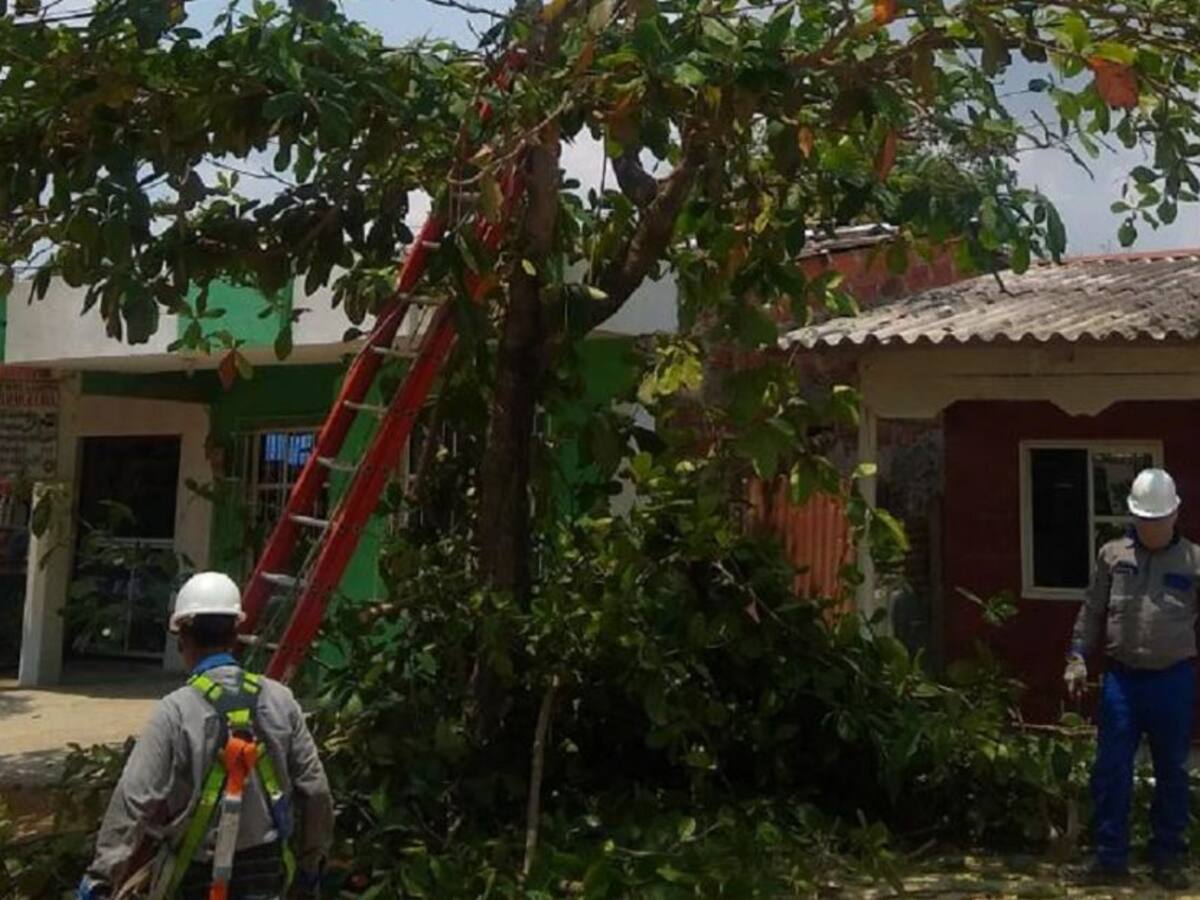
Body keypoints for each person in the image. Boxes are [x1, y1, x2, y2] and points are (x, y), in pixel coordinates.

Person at [78, 572, 334, 900]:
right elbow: (316, 790)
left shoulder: (175, 712)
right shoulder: (280, 699)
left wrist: (101, 877)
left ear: (182, 637)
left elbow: (133, 798)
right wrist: (311, 864)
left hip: (195, 876)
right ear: (235, 633)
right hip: (268, 874)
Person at [1064, 468, 1199, 890]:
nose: (1152, 527)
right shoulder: (1112, 555)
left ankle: (1168, 857)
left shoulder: (1194, 561)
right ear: (1133, 517)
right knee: (1111, 769)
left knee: (1172, 771)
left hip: (1173, 679)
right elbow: (1092, 611)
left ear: (1175, 514)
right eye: (1144, 519)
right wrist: (1077, 658)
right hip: (1122, 682)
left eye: (1158, 519)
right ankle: (1110, 857)